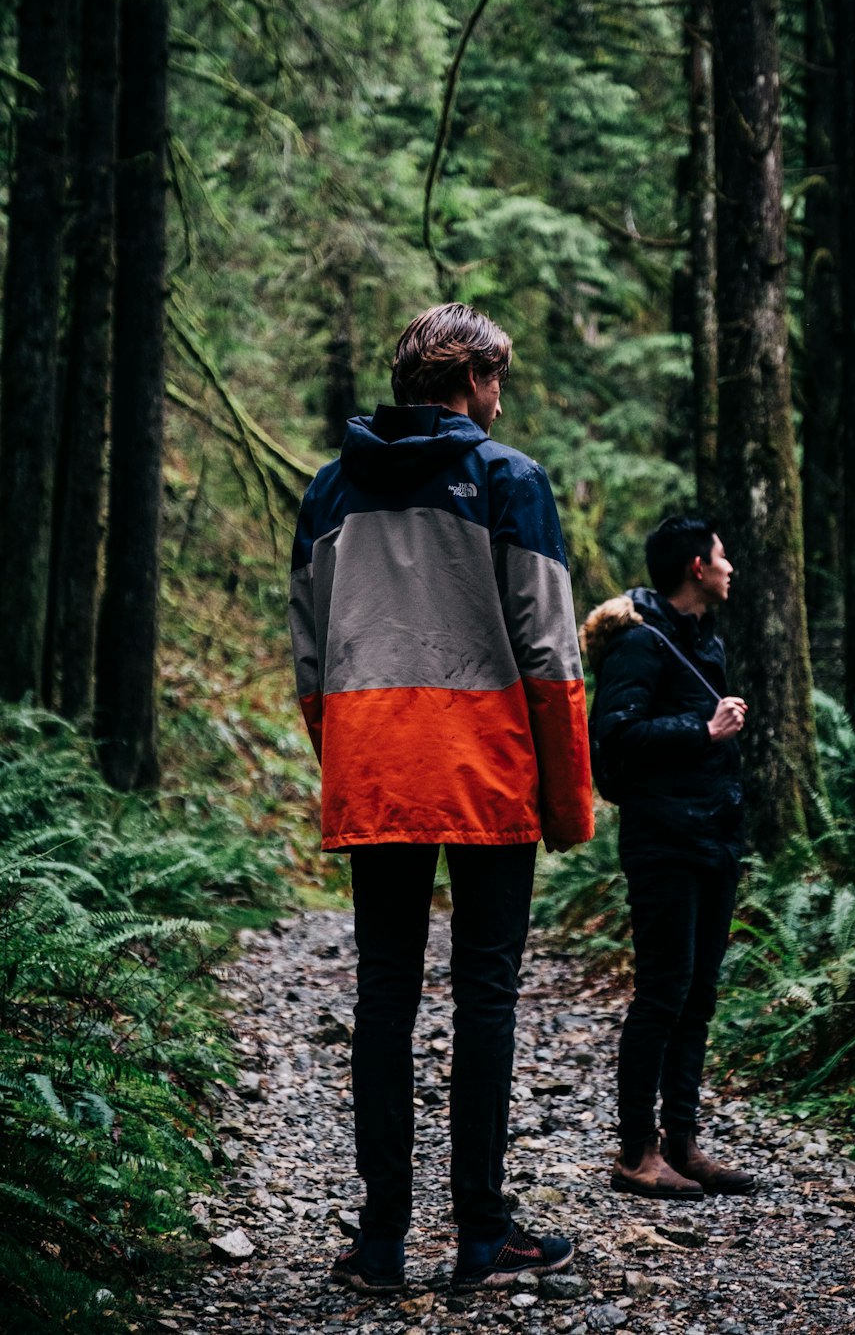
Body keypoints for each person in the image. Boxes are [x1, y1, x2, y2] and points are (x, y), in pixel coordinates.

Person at [289, 303, 594, 1293]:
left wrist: (347, 753)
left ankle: (379, 1244)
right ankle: (481, 1235)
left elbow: (309, 657)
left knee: (384, 993)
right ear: (464, 382)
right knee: (486, 994)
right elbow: (550, 658)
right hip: (488, 767)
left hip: (376, 767)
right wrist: (568, 800)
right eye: (493, 381)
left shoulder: (330, 491)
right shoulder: (509, 481)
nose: (498, 400)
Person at [580, 515, 755, 1200]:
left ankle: (682, 1143)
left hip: (713, 838)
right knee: (662, 993)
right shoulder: (640, 645)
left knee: (699, 995)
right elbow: (614, 741)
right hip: (663, 843)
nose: (730, 566)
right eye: (721, 555)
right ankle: (635, 1152)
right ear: (694, 566)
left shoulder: (698, 639)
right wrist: (702, 729)